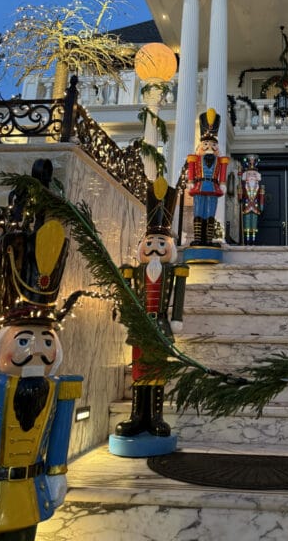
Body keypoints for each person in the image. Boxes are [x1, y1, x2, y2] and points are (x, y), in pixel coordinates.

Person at [0, 204, 82, 540]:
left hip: (28, 492)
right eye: (24, 340)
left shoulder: (58, 389)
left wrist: (56, 474)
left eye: (46, 341)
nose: (37, 349)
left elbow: (59, 435)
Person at [114, 176, 188, 441]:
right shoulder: (135, 271)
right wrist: (126, 315)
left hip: (160, 325)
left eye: (160, 243)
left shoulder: (174, 271)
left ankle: (155, 416)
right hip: (140, 325)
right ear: (141, 246)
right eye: (150, 242)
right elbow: (126, 294)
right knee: (138, 369)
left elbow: (178, 295)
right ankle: (137, 415)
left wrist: (176, 318)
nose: (154, 247)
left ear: (170, 247)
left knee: (157, 369)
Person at [186, 109, 230, 246]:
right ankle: (198, 238)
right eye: (206, 143)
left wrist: (223, 183)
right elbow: (191, 170)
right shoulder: (195, 158)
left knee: (210, 213)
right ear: (201, 145)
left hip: (213, 187)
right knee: (198, 212)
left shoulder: (221, 160)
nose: (209, 146)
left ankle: (208, 240)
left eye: (212, 144)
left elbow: (222, 172)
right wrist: (190, 181)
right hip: (199, 186)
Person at [238, 155, 265, 245]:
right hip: (246, 206)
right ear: (246, 177)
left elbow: (261, 197)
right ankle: (247, 240)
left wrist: (261, 206)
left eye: (253, 174)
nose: (252, 176)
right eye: (249, 174)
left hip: (255, 206)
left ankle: (253, 241)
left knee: (254, 224)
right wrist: (240, 193)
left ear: (257, 177)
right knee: (247, 223)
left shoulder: (259, 187)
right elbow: (240, 197)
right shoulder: (244, 186)